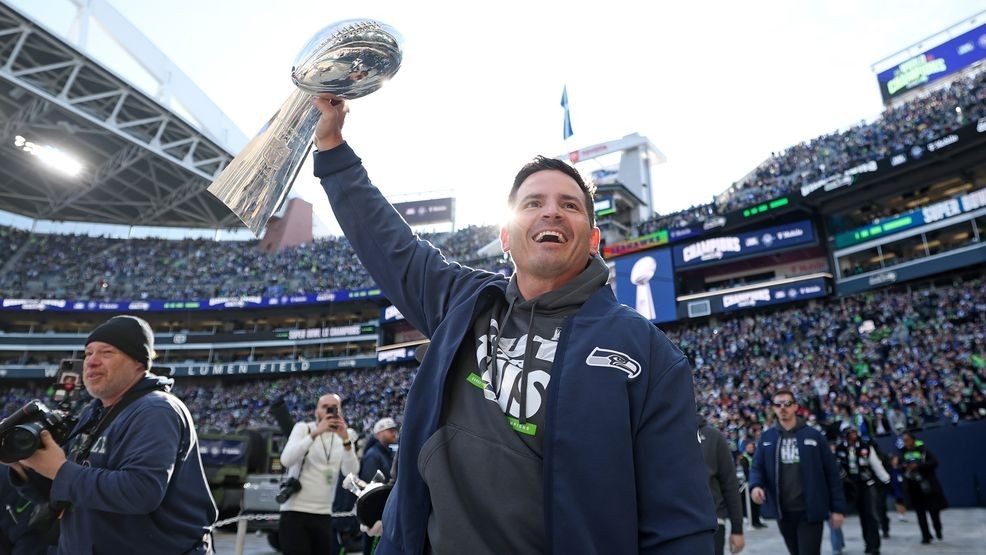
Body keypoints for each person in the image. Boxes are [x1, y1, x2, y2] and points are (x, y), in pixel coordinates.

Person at [311, 96, 716, 554]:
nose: (551, 212)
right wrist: (333, 147)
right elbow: (389, 243)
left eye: (569, 204)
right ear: (505, 234)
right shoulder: (463, 302)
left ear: (593, 240)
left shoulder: (648, 353)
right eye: (533, 203)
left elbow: (680, 523)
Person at [7, 315, 217, 553]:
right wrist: (22, 464)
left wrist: (58, 469)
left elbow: (141, 492)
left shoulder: (156, 410)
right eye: (88, 353)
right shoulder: (94, 412)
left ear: (138, 362)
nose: (91, 362)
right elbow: (65, 491)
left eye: (106, 353)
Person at [749, 390, 846, 555]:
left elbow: (832, 473)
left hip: (810, 510)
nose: (783, 408)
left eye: (787, 404)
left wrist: (837, 508)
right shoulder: (767, 438)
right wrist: (756, 486)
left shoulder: (814, 436)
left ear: (795, 406)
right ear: (773, 408)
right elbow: (757, 467)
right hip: (783, 512)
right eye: (778, 404)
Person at [278, 393, 359, 555]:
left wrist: (346, 441)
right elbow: (286, 460)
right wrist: (315, 434)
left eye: (334, 407)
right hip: (295, 511)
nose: (329, 410)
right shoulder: (303, 428)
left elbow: (351, 472)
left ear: (340, 411)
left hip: (324, 512)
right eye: (324, 407)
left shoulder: (346, 435)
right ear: (316, 411)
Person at [835, 426, 890, 554]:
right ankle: (868, 543)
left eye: (855, 432)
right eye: (850, 433)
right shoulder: (840, 448)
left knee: (871, 514)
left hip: (867, 483)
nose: (853, 434)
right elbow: (837, 467)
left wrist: (886, 479)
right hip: (851, 486)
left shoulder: (865, 446)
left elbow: (876, 464)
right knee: (862, 516)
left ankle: (875, 546)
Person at [698, 416, 745, 555]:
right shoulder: (664, 434)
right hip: (674, 526)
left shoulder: (713, 436)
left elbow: (730, 484)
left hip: (712, 523)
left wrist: (737, 528)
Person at [900, 432, 948, 544]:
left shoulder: (923, 450)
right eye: (904, 440)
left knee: (933, 511)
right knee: (920, 512)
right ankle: (925, 536)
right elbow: (900, 466)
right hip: (913, 487)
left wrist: (918, 465)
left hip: (927, 486)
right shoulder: (903, 453)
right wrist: (904, 466)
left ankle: (937, 529)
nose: (905, 442)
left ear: (913, 440)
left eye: (907, 440)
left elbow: (934, 462)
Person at [739, 439, 767, 529]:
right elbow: (745, 471)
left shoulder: (756, 455)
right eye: (749, 447)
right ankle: (753, 521)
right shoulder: (744, 458)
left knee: (757, 503)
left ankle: (757, 520)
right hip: (748, 484)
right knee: (751, 505)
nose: (751, 449)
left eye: (752, 447)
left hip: (755, 483)